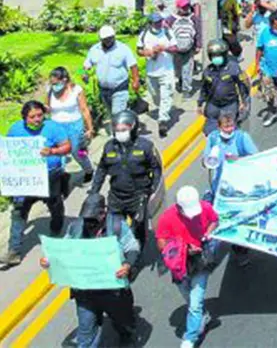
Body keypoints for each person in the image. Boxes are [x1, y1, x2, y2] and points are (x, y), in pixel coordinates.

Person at [41, 192, 140, 348]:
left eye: (92, 219)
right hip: (85, 292)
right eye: (86, 219)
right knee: (85, 335)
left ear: (103, 213)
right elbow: (63, 250)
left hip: (113, 292)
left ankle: (126, 335)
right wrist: (50, 260)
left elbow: (132, 247)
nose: (88, 223)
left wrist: (127, 265)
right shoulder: (75, 228)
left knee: (124, 326)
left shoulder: (117, 226)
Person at [2, 100, 72, 266]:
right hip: (26, 180)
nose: (37, 119)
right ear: (25, 117)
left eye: (40, 115)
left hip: (50, 177)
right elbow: (7, 149)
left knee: (55, 206)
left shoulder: (53, 128)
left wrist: (53, 151)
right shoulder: (16, 129)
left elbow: (67, 147)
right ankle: (14, 251)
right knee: (19, 212)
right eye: (32, 116)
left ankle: (56, 230)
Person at [89, 110, 162, 252]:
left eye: (124, 129)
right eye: (117, 130)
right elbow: (102, 169)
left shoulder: (145, 146)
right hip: (116, 197)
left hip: (138, 197)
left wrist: (153, 191)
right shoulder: (109, 146)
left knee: (137, 231)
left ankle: (135, 258)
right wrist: (94, 191)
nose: (120, 132)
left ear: (133, 128)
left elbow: (156, 169)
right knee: (113, 230)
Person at [156, 186, 219, 348]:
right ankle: (201, 317)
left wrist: (207, 234)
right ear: (178, 208)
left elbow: (214, 220)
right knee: (188, 297)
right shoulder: (167, 217)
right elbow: (161, 243)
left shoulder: (205, 207)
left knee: (195, 303)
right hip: (180, 264)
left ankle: (190, 338)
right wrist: (183, 249)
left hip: (200, 260)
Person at [83, 25, 140, 132]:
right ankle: (127, 125)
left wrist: (136, 80)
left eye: (110, 38)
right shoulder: (94, 50)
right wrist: (83, 73)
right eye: (105, 39)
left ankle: (118, 136)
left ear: (114, 37)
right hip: (103, 90)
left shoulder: (123, 49)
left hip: (119, 88)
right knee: (111, 113)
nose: (108, 41)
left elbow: (133, 65)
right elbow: (85, 65)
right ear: (101, 39)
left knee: (116, 114)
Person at [47, 67, 96, 182]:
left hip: (74, 125)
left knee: (76, 151)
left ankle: (88, 169)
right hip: (57, 126)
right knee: (59, 153)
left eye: (56, 83)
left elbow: (84, 109)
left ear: (64, 80)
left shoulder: (76, 90)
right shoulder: (50, 90)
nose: (54, 85)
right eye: (52, 83)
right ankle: (60, 176)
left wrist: (90, 128)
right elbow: (48, 107)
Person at [202, 112, 258, 207]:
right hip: (220, 185)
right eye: (226, 127)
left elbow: (256, 158)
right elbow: (205, 159)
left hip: (240, 185)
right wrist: (207, 161)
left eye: (231, 126)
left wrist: (238, 159)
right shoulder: (213, 138)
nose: (229, 130)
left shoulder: (242, 137)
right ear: (219, 127)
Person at [138, 12, 178, 138]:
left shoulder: (167, 32)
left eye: (160, 21)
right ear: (150, 23)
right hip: (151, 72)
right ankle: (163, 109)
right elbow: (138, 50)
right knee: (156, 96)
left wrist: (163, 48)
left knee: (166, 95)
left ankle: (163, 121)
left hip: (166, 71)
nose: (159, 24)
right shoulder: (144, 34)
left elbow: (175, 48)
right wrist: (148, 52)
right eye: (156, 22)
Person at [198, 39, 250, 135]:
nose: (216, 58)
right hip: (213, 106)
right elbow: (204, 88)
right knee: (210, 133)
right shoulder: (208, 71)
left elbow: (243, 86)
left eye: (218, 55)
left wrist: (244, 102)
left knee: (228, 131)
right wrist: (200, 103)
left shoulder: (233, 68)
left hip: (229, 105)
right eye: (214, 55)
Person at [167, 0, 200, 99]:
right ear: (178, 7)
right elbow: (167, 32)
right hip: (176, 50)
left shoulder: (193, 18)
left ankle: (186, 89)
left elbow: (198, 31)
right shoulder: (171, 19)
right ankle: (181, 80)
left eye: (187, 6)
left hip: (189, 49)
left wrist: (198, 45)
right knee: (178, 69)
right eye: (183, 7)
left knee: (188, 69)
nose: (186, 8)